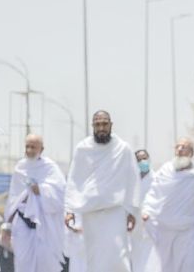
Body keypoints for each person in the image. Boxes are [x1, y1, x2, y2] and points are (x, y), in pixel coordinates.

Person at [63, 110, 141, 272]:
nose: (101, 128)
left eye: (104, 124)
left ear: (111, 125)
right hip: (90, 213)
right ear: (92, 126)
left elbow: (132, 179)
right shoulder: (83, 148)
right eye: (97, 124)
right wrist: (70, 210)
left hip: (115, 212)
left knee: (118, 256)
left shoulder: (123, 148)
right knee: (95, 258)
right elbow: (74, 180)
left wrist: (132, 210)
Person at [140, 138, 194, 272]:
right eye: (177, 147)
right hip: (166, 232)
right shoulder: (165, 171)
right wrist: (147, 211)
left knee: (190, 267)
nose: (179, 150)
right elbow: (153, 193)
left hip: (190, 232)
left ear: (191, 153)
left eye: (183, 147)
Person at [4, 134, 65, 272]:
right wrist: (7, 225)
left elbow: (60, 193)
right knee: (22, 264)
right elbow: (13, 199)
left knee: (45, 264)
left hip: (44, 225)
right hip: (22, 223)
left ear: (41, 149)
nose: (30, 150)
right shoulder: (20, 167)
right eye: (27, 146)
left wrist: (41, 190)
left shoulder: (50, 168)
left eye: (33, 147)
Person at [129, 149, 157, 272]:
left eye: (144, 158)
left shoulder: (157, 179)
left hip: (151, 224)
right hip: (135, 225)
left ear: (149, 159)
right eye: (139, 160)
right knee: (136, 259)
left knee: (151, 260)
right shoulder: (132, 180)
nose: (142, 162)